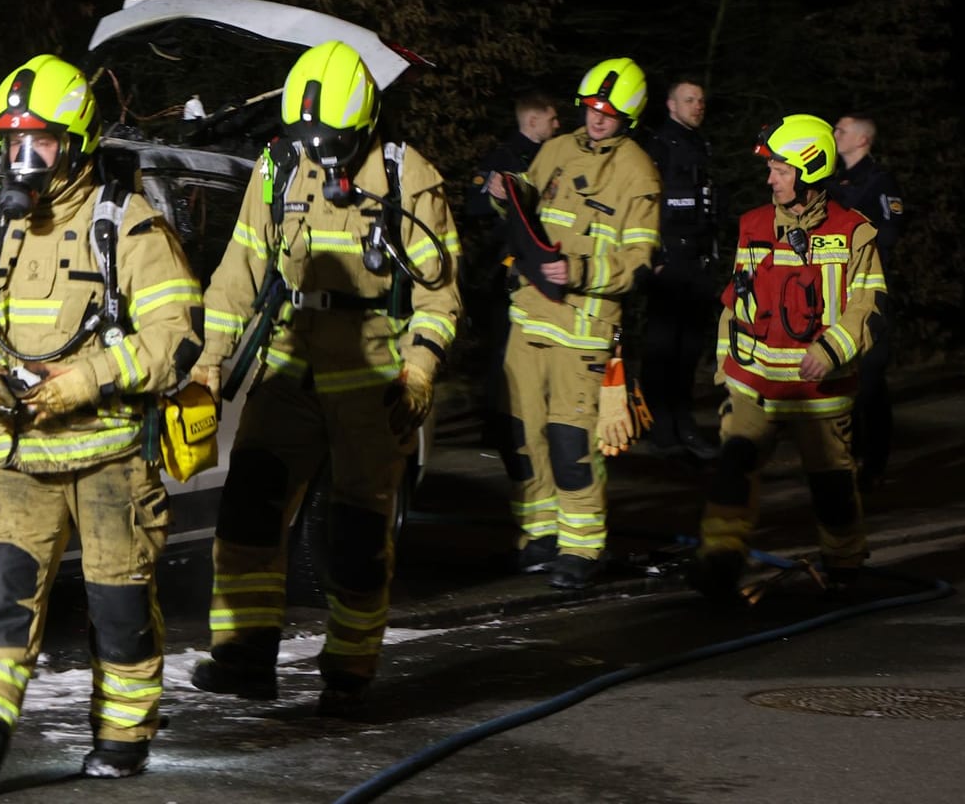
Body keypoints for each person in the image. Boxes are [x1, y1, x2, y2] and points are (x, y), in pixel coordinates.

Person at [0, 54, 204, 790]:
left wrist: (85, 380)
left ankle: (123, 734)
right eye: (9, 144)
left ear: (74, 144)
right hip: (20, 457)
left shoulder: (128, 226)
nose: (21, 160)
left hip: (109, 460)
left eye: (37, 144)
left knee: (120, 609)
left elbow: (175, 337)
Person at [187, 40, 461, 714]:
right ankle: (247, 655)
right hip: (291, 365)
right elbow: (239, 272)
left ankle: (348, 671)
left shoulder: (408, 178)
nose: (320, 153)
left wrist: (419, 370)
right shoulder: (280, 166)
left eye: (332, 141)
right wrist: (205, 363)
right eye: (308, 139)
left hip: (373, 379)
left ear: (366, 124)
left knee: (354, 538)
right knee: (249, 506)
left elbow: (441, 295)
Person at [688, 114, 884, 601]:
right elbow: (735, 301)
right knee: (732, 475)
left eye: (779, 169)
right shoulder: (752, 226)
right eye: (771, 168)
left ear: (809, 171)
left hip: (820, 391)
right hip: (754, 386)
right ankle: (719, 563)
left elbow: (870, 307)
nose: (770, 178)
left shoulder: (854, 233)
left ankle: (843, 565)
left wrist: (831, 349)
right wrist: (725, 370)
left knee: (832, 485)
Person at [496, 57, 660, 589]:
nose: (596, 118)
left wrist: (582, 270)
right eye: (591, 108)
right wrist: (504, 194)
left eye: (609, 112)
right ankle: (538, 535)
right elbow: (528, 203)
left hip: (584, 328)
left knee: (572, 444)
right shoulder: (557, 150)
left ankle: (582, 547)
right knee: (523, 436)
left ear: (628, 116)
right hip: (529, 318)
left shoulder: (638, 171)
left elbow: (639, 264)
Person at [464, 92, 562, 472]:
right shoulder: (503, 159)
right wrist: (490, 191)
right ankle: (497, 430)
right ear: (533, 121)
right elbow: (473, 203)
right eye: (552, 120)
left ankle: (530, 425)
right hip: (505, 274)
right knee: (502, 356)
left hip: (540, 273)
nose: (558, 127)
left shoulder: (556, 158)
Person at [640, 79, 721, 460]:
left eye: (701, 100)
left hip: (698, 264)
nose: (697, 106)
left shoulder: (701, 144)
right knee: (662, 348)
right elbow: (646, 205)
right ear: (671, 105)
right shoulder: (657, 146)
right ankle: (661, 427)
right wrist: (652, 257)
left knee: (688, 349)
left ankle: (681, 424)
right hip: (669, 263)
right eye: (690, 100)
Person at [827, 114, 906, 491]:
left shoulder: (879, 182)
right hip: (836, 292)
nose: (834, 134)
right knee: (842, 376)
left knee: (870, 380)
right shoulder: (832, 182)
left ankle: (874, 462)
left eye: (841, 130)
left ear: (862, 140)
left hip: (869, 291)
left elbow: (890, 234)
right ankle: (847, 455)